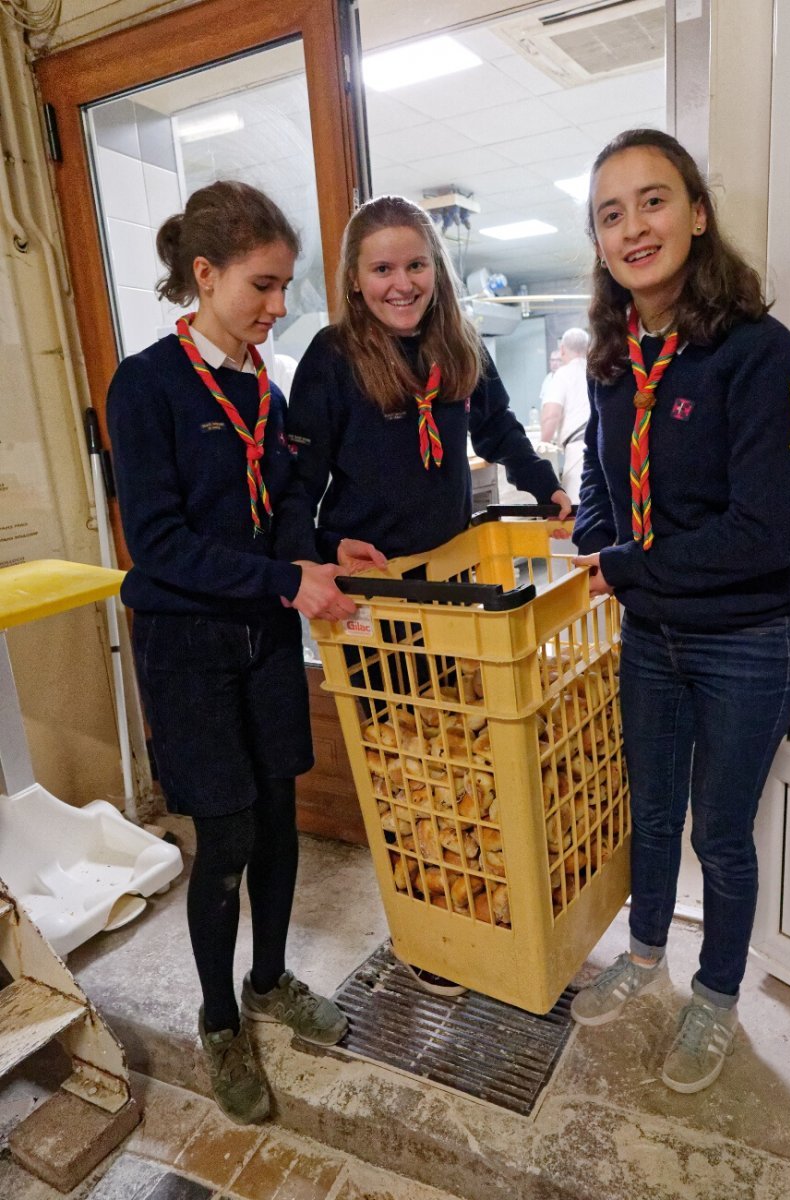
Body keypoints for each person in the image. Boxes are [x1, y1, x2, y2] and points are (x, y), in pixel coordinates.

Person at [106, 180, 357, 1126]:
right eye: (262, 284)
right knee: (228, 840)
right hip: (187, 648)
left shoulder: (264, 385)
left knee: (282, 825)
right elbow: (160, 545)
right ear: (204, 276)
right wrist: (288, 582)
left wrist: (311, 552)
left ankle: (270, 979)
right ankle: (218, 1020)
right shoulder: (147, 386)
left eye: (285, 285)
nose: (277, 306)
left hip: (261, 636)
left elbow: (289, 492)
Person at [569, 129, 790, 1094]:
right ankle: (643, 955)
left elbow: (760, 533)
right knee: (654, 810)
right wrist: (602, 543)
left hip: (747, 640)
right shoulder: (613, 359)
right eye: (611, 213)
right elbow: (597, 483)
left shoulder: (760, 353)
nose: (635, 228)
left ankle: (716, 995)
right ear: (598, 241)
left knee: (720, 830)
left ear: (698, 213)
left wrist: (627, 565)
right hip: (653, 634)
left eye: (654, 201)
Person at [285, 193, 571, 993]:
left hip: (452, 583)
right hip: (375, 592)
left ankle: (475, 904)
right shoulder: (332, 360)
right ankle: (425, 928)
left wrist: (547, 488)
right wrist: (316, 550)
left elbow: (502, 431)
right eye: (382, 269)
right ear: (354, 280)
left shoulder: (455, 344)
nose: (401, 283)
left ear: (435, 272)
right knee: (393, 762)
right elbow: (296, 483)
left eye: (415, 265)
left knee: (456, 758)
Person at [540, 327, 591, 501]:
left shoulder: (563, 374)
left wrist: (543, 444)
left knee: (579, 511)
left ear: (562, 350)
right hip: (604, 447)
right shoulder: (597, 371)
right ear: (587, 348)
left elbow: (551, 415)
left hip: (579, 452)